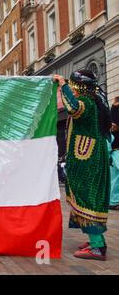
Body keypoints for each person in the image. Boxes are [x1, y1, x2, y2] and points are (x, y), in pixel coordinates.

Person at [54, 70, 111, 261]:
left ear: (78, 87)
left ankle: (97, 246)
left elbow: (73, 108)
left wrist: (62, 84)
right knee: (89, 197)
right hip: (91, 156)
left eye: (72, 85)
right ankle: (96, 240)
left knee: (88, 198)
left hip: (88, 158)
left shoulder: (86, 103)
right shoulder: (94, 101)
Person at [109, 96, 119, 210]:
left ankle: (113, 201)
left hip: (114, 149)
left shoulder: (113, 112)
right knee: (115, 177)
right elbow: (114, 127)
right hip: (116, 149)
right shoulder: (114, 112)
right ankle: (113, 201)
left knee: (114, 177)